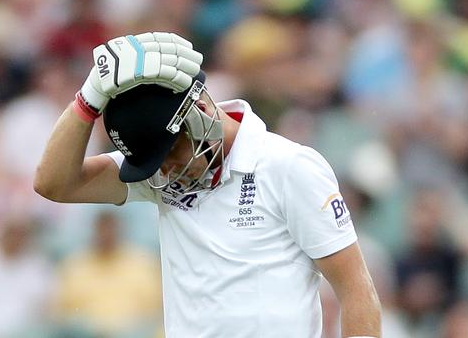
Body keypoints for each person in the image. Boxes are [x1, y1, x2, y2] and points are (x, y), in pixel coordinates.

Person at [35, 32, 381, 338]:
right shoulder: (156, 176)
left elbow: (354, 289)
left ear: (199, 109)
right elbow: (55, 184)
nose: (167, 171)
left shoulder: (288, 166)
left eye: (170, 154)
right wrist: (89, 98)